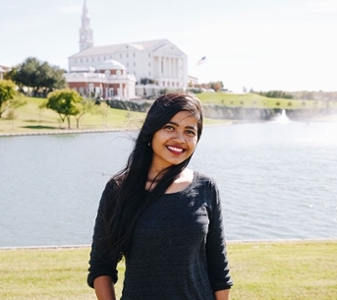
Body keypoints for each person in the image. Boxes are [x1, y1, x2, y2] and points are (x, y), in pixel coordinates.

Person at [88, 93, 233, 300]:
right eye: (169, 127)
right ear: (152, 131)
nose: (180, 139)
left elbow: (219, 268)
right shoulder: (118, 190)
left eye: (189, 131)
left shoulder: (205, 188)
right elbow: (101, 266)